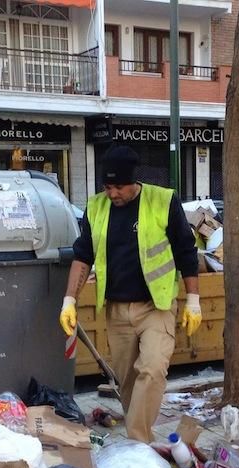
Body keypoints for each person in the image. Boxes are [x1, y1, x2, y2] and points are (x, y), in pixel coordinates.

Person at [59, 145, 201, 443]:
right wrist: (69, 300)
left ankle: (137, 444)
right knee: (127, 382)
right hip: (116, 309)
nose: (113, 193)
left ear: (133, 181)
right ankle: (141, 440)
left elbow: (186, 251)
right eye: (107, 186)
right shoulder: (96, 207)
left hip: (156, 306)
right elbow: (83, 255)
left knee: (152, 369)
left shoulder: (163, 201)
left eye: (119, 187)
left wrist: (194, 300)